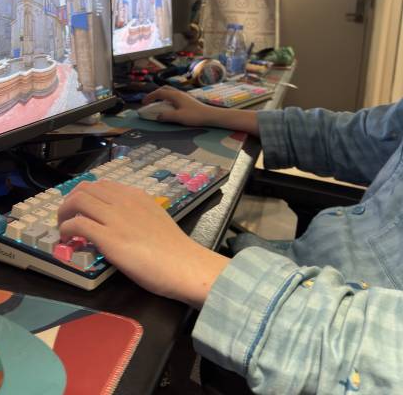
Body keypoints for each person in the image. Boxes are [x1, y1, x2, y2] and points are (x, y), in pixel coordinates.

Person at [57, 86, 403, 394]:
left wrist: (192, 266)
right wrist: (212, 115)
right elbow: (362, 137)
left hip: (304, 344)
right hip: (296, 276)